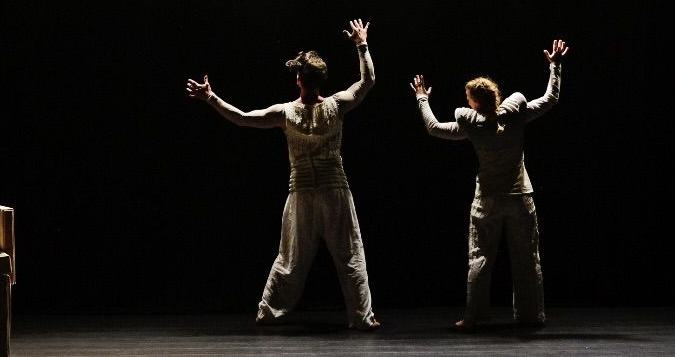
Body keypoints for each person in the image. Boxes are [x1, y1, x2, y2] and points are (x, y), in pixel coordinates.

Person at [186, 19, 381, 330]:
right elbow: (368, 81)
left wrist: (211, 97)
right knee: (350, 255)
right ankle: (361, 317)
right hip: (333, 192)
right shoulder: (337, 105)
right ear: (320, 80)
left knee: (291, 258)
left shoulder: (285, 112)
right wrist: (362, 45)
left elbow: (242, 118)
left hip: (302, 194)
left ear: (298, 80)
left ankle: (268, 311)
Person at [410, 39, 569, 330]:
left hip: (487, 200)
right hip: (520, 197)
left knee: (480, 257)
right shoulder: (517, 116)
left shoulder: (473, 126)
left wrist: (422, 98)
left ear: (475, 102)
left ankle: (475, 316)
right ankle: (531, 315)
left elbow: (433, 128)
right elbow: (551, 98)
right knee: (527, 258)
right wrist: (555, 66)